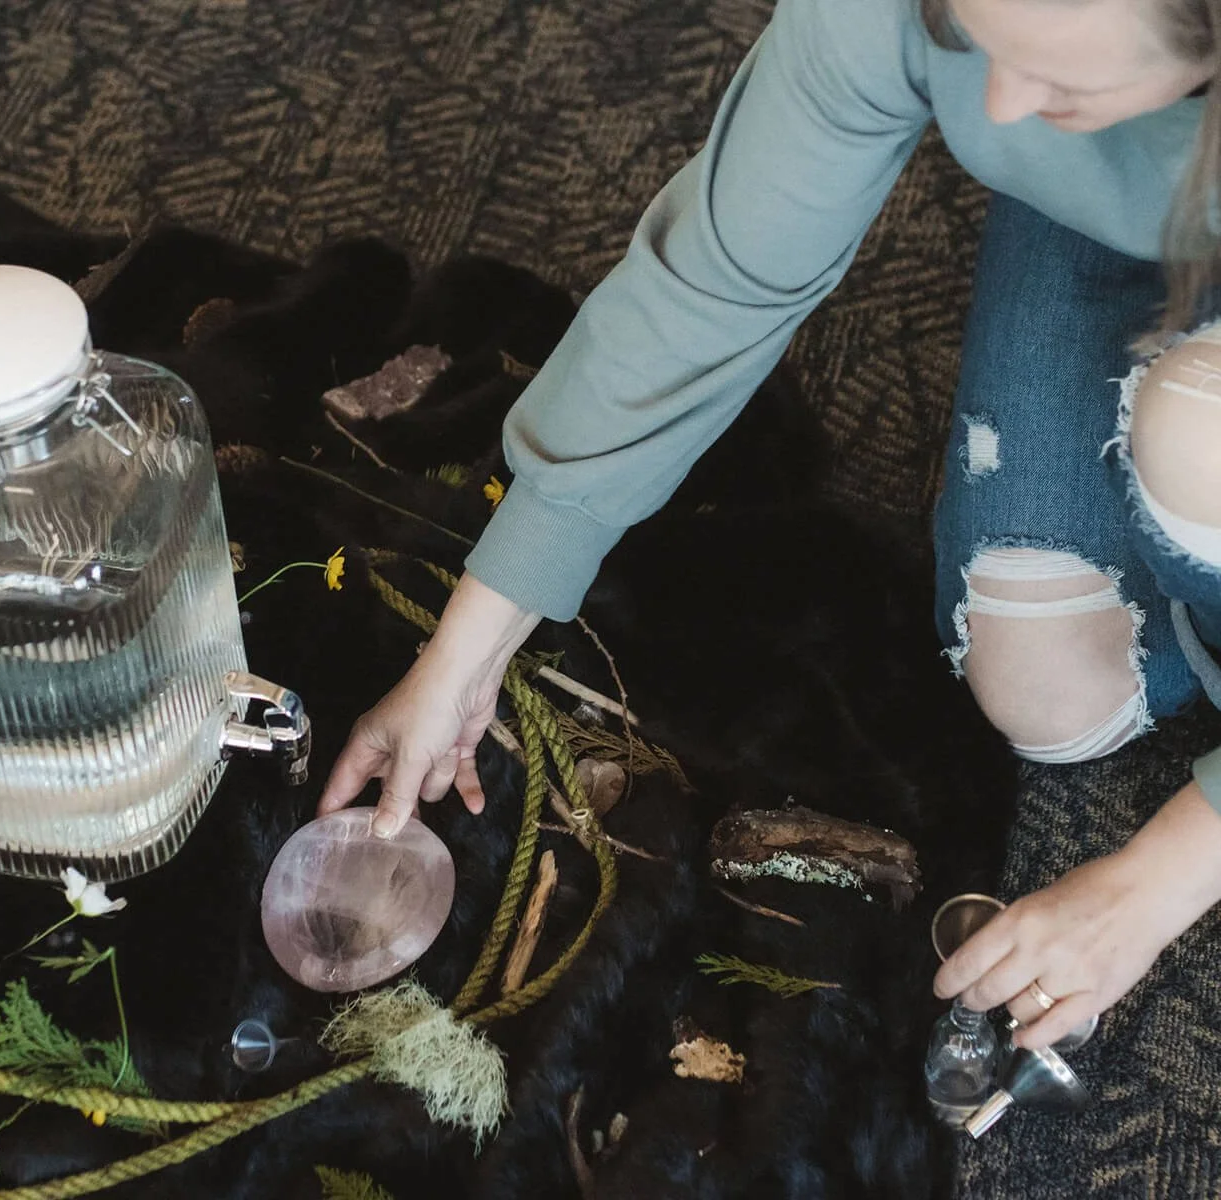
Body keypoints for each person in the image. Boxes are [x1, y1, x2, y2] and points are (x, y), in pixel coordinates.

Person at [319, 0, 1221, 1054]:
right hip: (1138, 203)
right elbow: (713, 290)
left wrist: (1151, 885)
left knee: (1193, 433)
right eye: (968, 35)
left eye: (1055, 77)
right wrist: (466, 652)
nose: (997, 103)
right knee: (1052, 699)